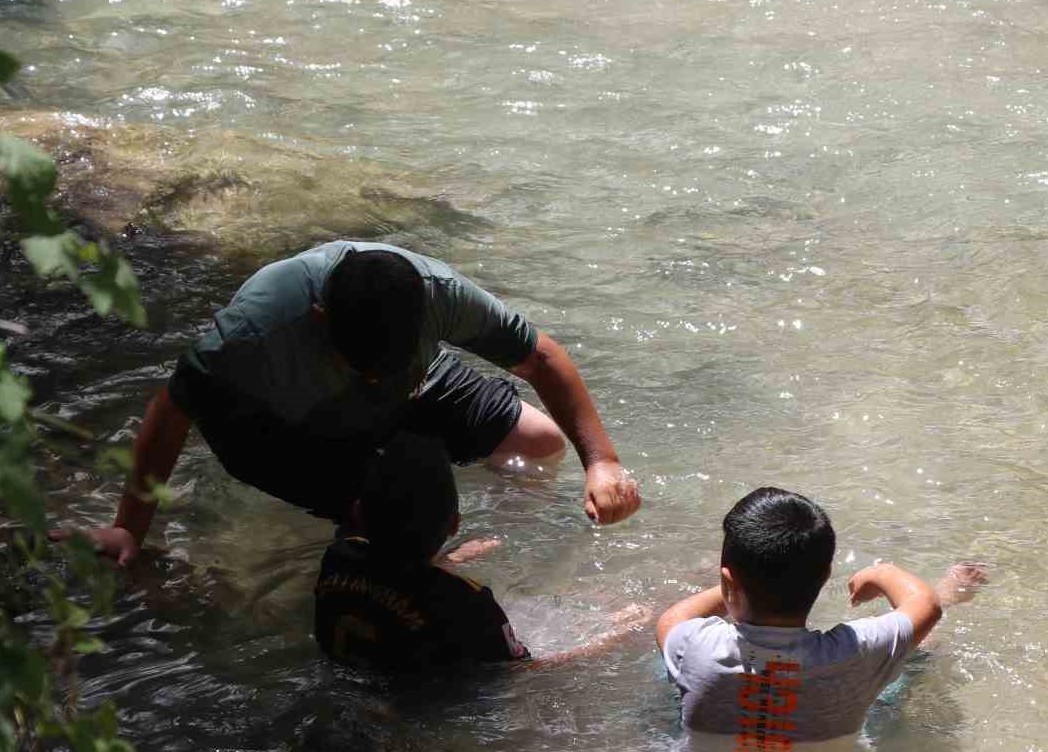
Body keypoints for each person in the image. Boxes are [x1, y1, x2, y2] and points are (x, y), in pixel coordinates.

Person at [65, 241, 640, 564]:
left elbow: (539, 357)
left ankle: (470, 552)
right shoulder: (255, 331)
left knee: (540, 444)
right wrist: (129, 531)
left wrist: (602, 460)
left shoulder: (435, 294)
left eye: (385, 366)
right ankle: (414, 563)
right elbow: (171, 412)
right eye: (362, 366)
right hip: (285, 420)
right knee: (385, 536)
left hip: (411, 382)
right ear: (321, 320)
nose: (373, 379)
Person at [655, 487, 984, 752]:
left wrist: (743, 583)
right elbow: (927, 606)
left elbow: (672, 618)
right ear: (825, 577)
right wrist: (882, 572)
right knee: (910, 661)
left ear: (728, 580)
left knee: (662, 673)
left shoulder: (695, 646)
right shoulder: (855, 652)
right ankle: (950, 591)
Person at [317, 432, 648, 673]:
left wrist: (449, 561)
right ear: (455, 525)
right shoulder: (468, 603)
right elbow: (520, 676)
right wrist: (608, 641)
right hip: (423, 715)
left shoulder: (338, 559)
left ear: (358, 513)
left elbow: (392, 580)